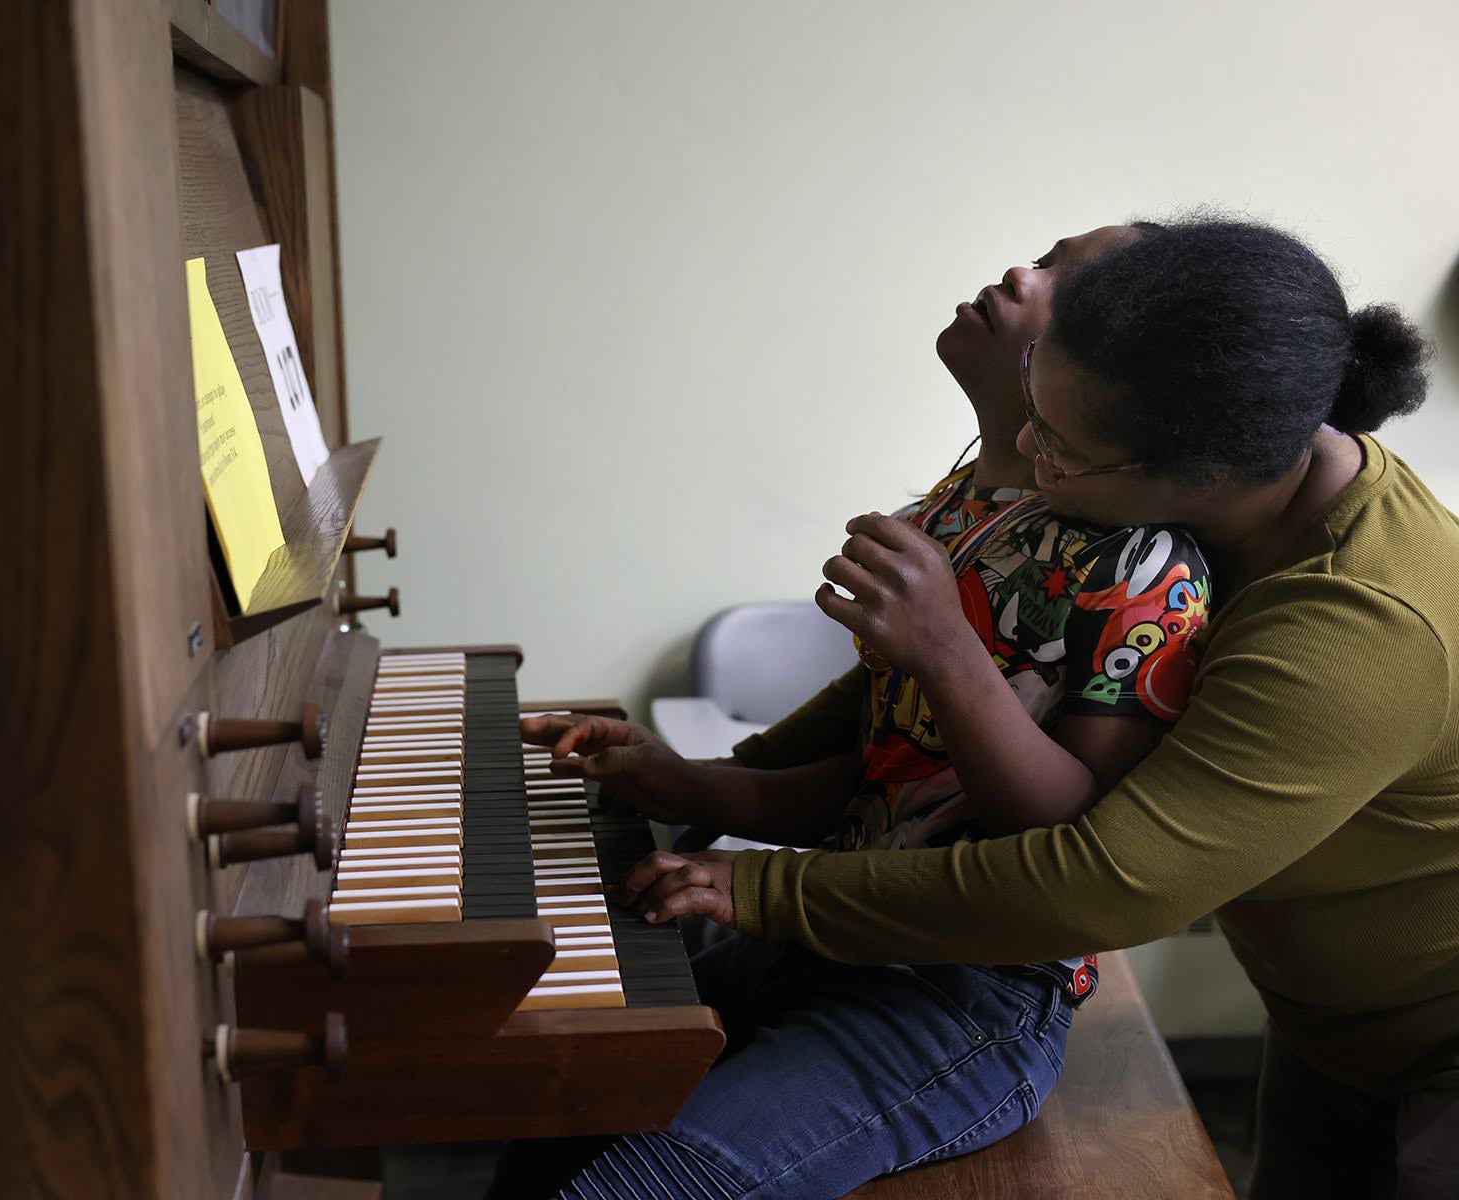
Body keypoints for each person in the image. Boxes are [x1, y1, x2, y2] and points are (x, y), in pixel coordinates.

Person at [578, 217, 1454, 1199]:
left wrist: (763, 889)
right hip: (1324, 1014)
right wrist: (719, 782)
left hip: (1434, 1034)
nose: (1030, 458)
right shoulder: (1195, 470)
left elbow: (1102, 881)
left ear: (1193, 481)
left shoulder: (1353, 626)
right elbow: (904, 707)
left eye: (1062, 450)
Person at [492, 222, 1212, 1199]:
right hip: (843, 929)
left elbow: (1064, 840)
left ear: (1117, 375)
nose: (1015, 271)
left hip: (962, 1002)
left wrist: (945, 646)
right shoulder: (965, 505)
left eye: (1058, 281)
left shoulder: (1143, 566)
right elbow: (893, 776)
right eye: (1038, 252)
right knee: (563, 1067)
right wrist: (689, 781)